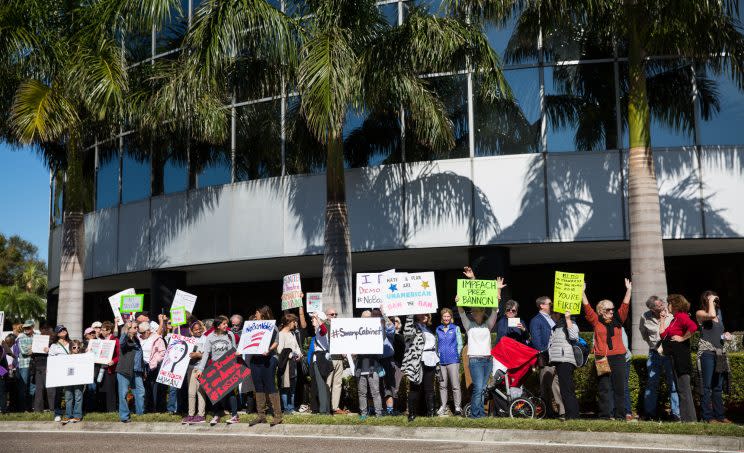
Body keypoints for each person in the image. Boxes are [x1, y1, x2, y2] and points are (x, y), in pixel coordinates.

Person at [457, 267, 504, 419]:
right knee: (479, 387)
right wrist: (459, 302)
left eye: (479, 311)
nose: (476, 313)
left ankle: (478, 413)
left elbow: (496, 310)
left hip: (487, 359)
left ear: (483, 312)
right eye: (474, 311)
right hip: (475, 360)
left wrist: (498, 290)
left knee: (483, 388)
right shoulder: (468, 325)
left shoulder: (488, 325)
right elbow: (461, 311)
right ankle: (477, 415)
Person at [582, 279, 631, 420]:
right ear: (601, 311)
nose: (612, 311)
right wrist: (582, 293)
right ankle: (605, 415)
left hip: (618, 358)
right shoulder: (596, 321)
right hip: (602, 358)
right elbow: (587, 308)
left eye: (612, 309)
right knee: (604, 388)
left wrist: (629, 289)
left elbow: (625, 305)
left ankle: (620, 416)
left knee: (620, 388)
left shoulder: (618, 319)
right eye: (608, 309)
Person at [639, 295, 680, 421]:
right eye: (658, 306)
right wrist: (653, 345)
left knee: (672, 383)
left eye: (662, 303)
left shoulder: (672, 314)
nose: (662, 306)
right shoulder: (645, 317)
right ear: (652, 309)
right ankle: (650, 414)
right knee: (652, 384)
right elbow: (644, 334)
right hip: (654, 353)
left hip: (669, 353)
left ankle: (676, 414)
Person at [696, 291, 733, 424]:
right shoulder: (700, 313)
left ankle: (720, 415)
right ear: (705, 300)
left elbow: (718, 334)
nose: (714, 300)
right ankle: (708, 416)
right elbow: (710, 315)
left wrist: (725, 336)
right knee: (707, 386)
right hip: (707, 353)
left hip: (720, 353)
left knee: (718, 386)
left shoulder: (719, 315)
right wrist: (711, 300)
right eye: (710, 298)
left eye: (714, 297)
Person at [660, 294, 698, 422]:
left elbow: (693, 327)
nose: (668, 306)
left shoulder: (681, 316)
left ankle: (690, 420)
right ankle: (686, 419)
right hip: (674, 358)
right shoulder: (674, 319)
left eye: (669, 303)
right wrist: (662, 319)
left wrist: (682, 338)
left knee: (684, 390)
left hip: (681, 359)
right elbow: (663, 335)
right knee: (681, 389)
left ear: (675, 305)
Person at [195, 315, 239, 425]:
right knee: (214, 392)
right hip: (215, 366)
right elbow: (206, 355)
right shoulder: (210, 337)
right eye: (224, 324)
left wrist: (236, 354)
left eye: (226, 323)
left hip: (228, 365)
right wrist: (200, 369)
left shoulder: (230, 335)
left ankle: (234, 415)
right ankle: (216, 415)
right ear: (218, 325)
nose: (226, 326)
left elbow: (234, 349)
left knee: (230, 392)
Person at [529, 296, 564, 419]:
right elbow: (536, 341)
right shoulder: (536, 320)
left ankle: (561, 412)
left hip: (555, 356)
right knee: (546, 386)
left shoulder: (550, 318)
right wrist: (545, 352)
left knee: (555, 385)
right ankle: (547, 412)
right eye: (550, 304)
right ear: (542, 305)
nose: (552, 305)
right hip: (546, 357)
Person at [248, 306, 282, 426]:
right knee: (258, 386)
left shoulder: (273, 327)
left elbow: (276, 342)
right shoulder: (252, 326)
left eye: (257, 313)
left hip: (269, 358)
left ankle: (278, 415)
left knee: (270, 385)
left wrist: (269, 349)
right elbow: (247, 340)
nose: (255, 315)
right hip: (256, 359)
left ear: (262, 314)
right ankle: (261, 415)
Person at [402, 313, 439, 421]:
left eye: (427, 314)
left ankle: (431, 413)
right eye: (422, 313)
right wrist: (409, 316)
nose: (424, 315)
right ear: (416, 315)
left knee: (429, 387)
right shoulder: (413, 326)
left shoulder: (428, 328)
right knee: (415, 386)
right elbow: (407, 334)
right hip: (418, 360)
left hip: (431, 359)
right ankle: (412, 414)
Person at [548, 311, 580, 420]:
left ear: (558, 315)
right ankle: (571, 414)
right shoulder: (556, 327)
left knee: (567, 389)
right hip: (559, 360)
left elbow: (574, 336)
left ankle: (572, 416)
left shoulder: (570, 323)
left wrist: (568, 319)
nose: (551, 315)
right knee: (565, 388)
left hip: (565, 360)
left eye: (554, 313)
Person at [355, 310, 383, 420]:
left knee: (375, 391)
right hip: (360, 367)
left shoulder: (376, 330)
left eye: (368, 317)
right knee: (362, 392)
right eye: (364, 317)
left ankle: (378, 414)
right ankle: (363, 413)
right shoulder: (356, 331)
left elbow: (383, 336)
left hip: (372, 366)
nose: (366, 319)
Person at [436, 307, 462, 416]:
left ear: (451, 317)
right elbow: (436, 344)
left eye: (448, 316)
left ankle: (457, 407)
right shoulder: (438, 329)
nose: (446, 318)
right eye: (444, 316)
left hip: (453, 361)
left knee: (455, 385)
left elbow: (460, 343)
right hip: (441, 361)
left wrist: (457, 355)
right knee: (442, 385)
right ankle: (443, 406)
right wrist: (437, 356)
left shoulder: (455, 328)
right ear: (442, 318)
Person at [116, 320, 145, 423]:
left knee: (140, 392)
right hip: (124, 370)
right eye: (134, 327)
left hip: (137, 370)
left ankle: (140, 414)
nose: (137, 329)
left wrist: (142, 369)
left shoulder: (136, 340)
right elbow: (121, 343)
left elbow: (139, 356)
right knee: (123, 393)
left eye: (137, 327)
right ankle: (124, 416)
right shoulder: (125, 338)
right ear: (129, 329)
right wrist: (126, 329)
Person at [323, 307, 347, 415]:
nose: (334, 316)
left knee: (338, 383)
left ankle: (335, 407)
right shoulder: (324, 326)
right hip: (330, 358)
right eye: (332, 314)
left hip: (339, 358)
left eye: (335, 314)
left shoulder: (340, 326)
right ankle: (326, 406)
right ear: (327, 315)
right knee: (328, 383)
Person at [182, 320, 207, 425]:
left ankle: (201, 414)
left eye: (199, 329)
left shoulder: (205, 339)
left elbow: (206, 354)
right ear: (191, 331)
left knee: (200, 392)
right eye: (195, 330)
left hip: (201, 368)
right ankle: (191, 414)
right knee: (191, 392)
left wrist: (198, 355)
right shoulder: (189, 340)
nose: (198, 331)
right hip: (191, 368)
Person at [277, 313, 302, 415]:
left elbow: (296, 346)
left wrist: (299, 354)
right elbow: (279, 350)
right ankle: (287, 409)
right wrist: (291, 355)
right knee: (285, 387)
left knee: (292, 386)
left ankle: (291, 408)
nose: (295, 323)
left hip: (293, 364)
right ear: (288, 322)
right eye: (293, 321)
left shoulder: (292, 334)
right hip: (286, 364)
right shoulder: (281, 334)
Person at [140, 320, 166, 413]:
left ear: (148, 331)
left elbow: (162, 353)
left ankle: (156, 408)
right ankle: (147, 408)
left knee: (154, 388)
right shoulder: (140, 338)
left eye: (142, 333)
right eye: (140, 333)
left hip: (153, 366)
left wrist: (155, 362)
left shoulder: (157, 338)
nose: (141, 334)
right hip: (143, 366)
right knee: (145, 388)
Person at [48, 325, 72, 422]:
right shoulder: (54, 346)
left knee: (69, 393)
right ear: (57, 334)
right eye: (60, 330)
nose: (63, 331)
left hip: (70, 371)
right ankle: (57, 413)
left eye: (64, 329)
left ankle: (69, 412)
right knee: (58, 393)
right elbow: (50, 359)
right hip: (59, 372)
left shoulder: (71, 343)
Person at [310, 311, 331, 414]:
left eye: (313, 318)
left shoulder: (321, 330)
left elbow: (324, 330)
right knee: (322, 385)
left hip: (320, 359)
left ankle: (323, 410)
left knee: (321, 385)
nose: (311, 320)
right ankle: (326, 409)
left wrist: (318, 319)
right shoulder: (317, 331)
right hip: (320, 358)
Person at [32, 326, 55, 413]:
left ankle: (39, 409)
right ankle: (50, 408)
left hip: (44, 366)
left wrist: (49, 350)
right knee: (46, 388)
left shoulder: (51, 344)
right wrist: (32, 350)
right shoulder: (51, 342)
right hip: (42, 366)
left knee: (41, 389)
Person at [99, 321, 120, 412]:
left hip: (111, 369)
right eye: (101, 330)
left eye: (104, 330)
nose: (102, 332)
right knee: (103, 388)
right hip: (102, 367)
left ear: (109, 331)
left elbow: (120, 355)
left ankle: (111, 409)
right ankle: (104, 409)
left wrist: (113, 361)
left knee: (111, 389)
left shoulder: (115, 340)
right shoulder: (101, 340)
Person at [15, 320, 35, 412]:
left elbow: (41, 349)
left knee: (32, 387)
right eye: (25, 327)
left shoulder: (37, 337)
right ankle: (22, 408)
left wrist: (31, 348)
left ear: (32, 327)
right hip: (24, 365)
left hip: (34, 365)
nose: (26, 329)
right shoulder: (21, 336)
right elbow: (24, 351)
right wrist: (34, 349)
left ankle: (30, 407)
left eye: (28, 327)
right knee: (23, 387)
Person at [64, 340, 85, 423]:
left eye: (78, 347)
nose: (76, 349)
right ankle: (68, 415)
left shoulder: (83, 357)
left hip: (78, 379)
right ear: (70, 348)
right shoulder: (66, 357)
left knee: (78, 396)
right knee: (68, 397)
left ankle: (77, 415)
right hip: (68, 379)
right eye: (74, 347)